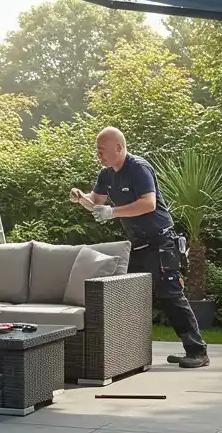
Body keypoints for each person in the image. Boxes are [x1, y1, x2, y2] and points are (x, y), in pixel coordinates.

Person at [71, 126, 210, 368]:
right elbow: (96, 203)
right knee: (126, 294)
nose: (98, 154)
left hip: (160, 241)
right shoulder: (106, 174)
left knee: (171, 296)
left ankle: (197, 351)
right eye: (97, 150)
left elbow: (148, 203)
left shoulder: (138, 168)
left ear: (119, 148)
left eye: (102, 149)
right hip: (137, 244)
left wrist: (113, 212)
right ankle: (129, 353)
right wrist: (82, 198)